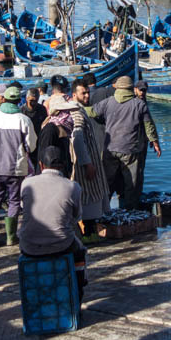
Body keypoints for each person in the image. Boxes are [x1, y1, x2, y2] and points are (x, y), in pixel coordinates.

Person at [19, 146, 86, 294]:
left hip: (28, 245)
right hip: (61, 245)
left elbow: (24, 207)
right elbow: (77, 217)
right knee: (80, 251)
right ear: (63, 165)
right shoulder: (73, 187)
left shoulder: (26, 183)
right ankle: (78, 288)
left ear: (41, 165)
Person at [0, 85, 36, 248]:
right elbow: (31, 146)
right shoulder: (23, 120)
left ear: (4, 99)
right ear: (19, 101)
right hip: (14, 168)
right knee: (14, 200)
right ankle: (11, 237)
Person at [94, 76, 162, 209]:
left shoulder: (108, 102)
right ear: (132, 89)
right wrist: (155, 142)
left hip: (110, 150)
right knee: (132, 184)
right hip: (131, 151)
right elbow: (149, 126)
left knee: (107, 182)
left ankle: (102, 210)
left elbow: (92, 112)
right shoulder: (139, 104)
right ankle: (131, 210)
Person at [68, 79, 110, 238]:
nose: (87, 96)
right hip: (84, 166)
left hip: (88, 161)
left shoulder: (80, 110)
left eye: (87, 92)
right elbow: (78, 138)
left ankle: (89, 232)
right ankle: (88, 235)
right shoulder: (76, 113)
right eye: (83, 93)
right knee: (88, 197)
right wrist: (87, 163)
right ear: (74, 95)